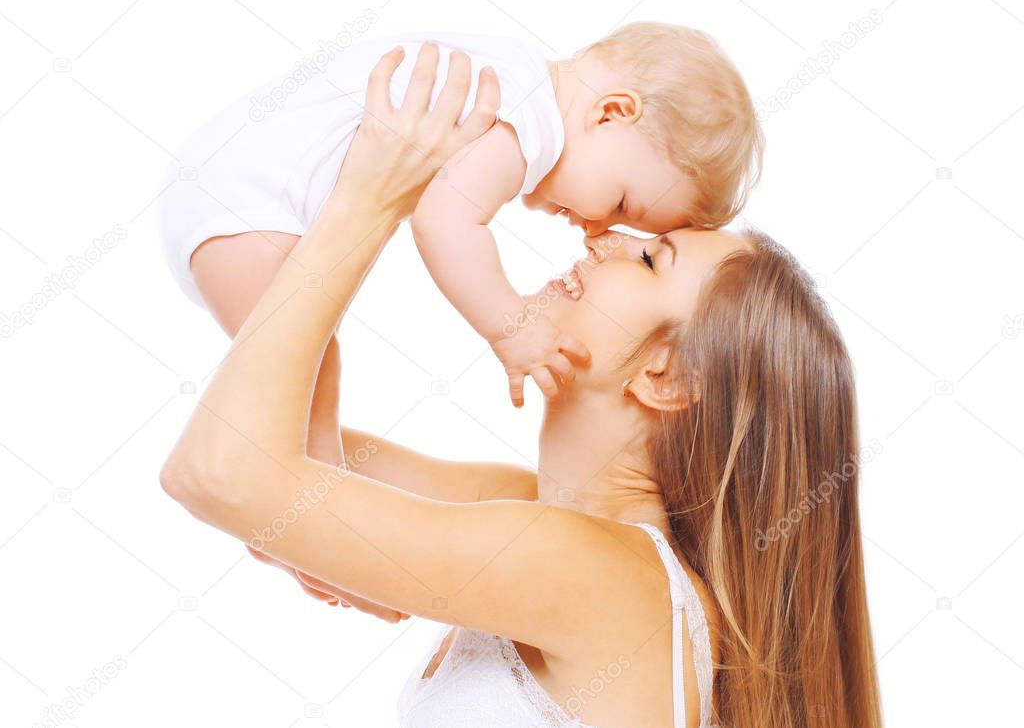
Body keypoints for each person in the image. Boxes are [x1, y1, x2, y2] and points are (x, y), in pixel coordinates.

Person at [161, 47, 880, 727]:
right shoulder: (539, 517)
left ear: (667, 376)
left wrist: (370, 202)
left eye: (651, 257)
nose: (601, 236)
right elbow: (268, 449)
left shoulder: (597, 571)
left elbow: (220, 472)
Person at [156, 23, 763, 475]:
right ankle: (302, 506)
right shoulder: (527, 115)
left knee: (308, 371)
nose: (597, 228)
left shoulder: (513, 71)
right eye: (625, 203)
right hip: (246, 204)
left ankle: (303, 500)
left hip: (225, 196)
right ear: (612, 114)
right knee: (308, 369)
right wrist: (510, 325)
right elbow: (445, 223)